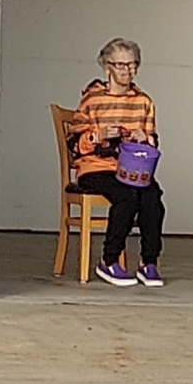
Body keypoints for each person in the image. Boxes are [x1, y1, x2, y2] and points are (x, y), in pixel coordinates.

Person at [71, 37, 166, 288]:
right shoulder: (92, 100)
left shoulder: (144, 101)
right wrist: (98, 135)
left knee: (152, 197)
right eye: (121, 65)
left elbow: (152, 144)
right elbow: (74, 143)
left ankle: (149, 262)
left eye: (133, 65)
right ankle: (109, 259)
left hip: (132, 169)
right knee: (127, 197)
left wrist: (145, 138)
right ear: (106, 66)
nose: (127, 70)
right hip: (96, 167)